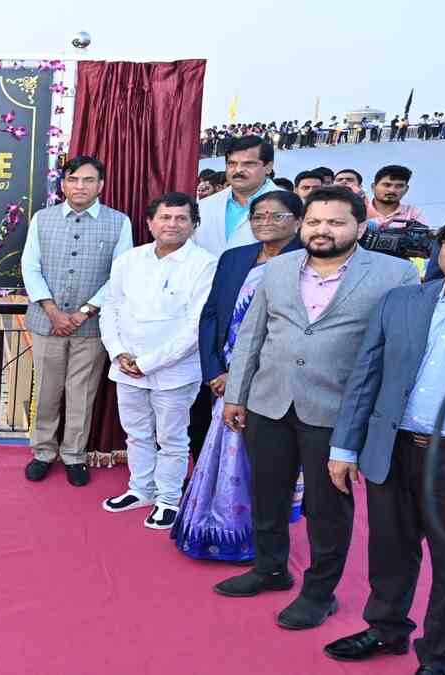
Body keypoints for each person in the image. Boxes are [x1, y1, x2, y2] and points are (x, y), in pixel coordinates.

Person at [213, 186, 420, 629]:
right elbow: (253, 334)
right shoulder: (280, 267)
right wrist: (237, 395)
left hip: (338, 412)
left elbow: (395, 351)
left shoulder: (395, 274)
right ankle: (270, 569)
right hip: (269, 402)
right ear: (302, 225)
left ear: (360, 227)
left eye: (335, 222)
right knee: (266, 495)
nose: (323, 230)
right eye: (315, 222)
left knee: (328, 509)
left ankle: (319, 592)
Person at [322, 207, 445, 675]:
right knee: (390, 550)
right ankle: (386, 628)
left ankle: (440, 657)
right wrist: (344, 447)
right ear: (440, 246)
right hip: (391, 450)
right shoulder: (402, 302)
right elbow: (365, 376)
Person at [174, 190, 305, 561]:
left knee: (262, 460)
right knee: (220, 453)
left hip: (271, 380)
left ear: (297, 221)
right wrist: (216, 370)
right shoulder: (235, 259)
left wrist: (243, 376)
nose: (265, 221)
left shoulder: (305, 262)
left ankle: (252, 540)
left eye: (276, 216)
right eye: (258, 215)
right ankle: (210, 529)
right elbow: (212, 315)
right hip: (223, 381)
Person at [99, 193, 216, 528]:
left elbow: (196, 327)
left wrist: (147, 362)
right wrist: (118, 352)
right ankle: (141, 489)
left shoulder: (205, 264)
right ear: (150, 223)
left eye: (181, 218)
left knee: (172, 437)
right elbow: (111, 307)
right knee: (135, 433)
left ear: (194, 225)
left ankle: (168, 498)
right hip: (125, 366)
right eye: (165, 217)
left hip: (175, 372)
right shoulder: (129, 260)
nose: (172, 224)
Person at [21, 155, 134, 486]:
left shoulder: (119, 222)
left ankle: (74, 455)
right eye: (73, 180)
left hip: (93, 325)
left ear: (100, 185)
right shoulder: (42, 219)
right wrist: (53, 311)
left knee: (82, 392)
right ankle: (42, 452)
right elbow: (30, 267)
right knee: (46, 390)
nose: (80, 186)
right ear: (63, 184)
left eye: (88, 180)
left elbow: (120, 273)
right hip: (46, 322)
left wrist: (86, 311)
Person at [194, 136, 278, 255]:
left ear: (268, 167)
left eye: (248, 164)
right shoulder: (204, 206)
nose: (238, 170)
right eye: (232, 164)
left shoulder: (292, 207)